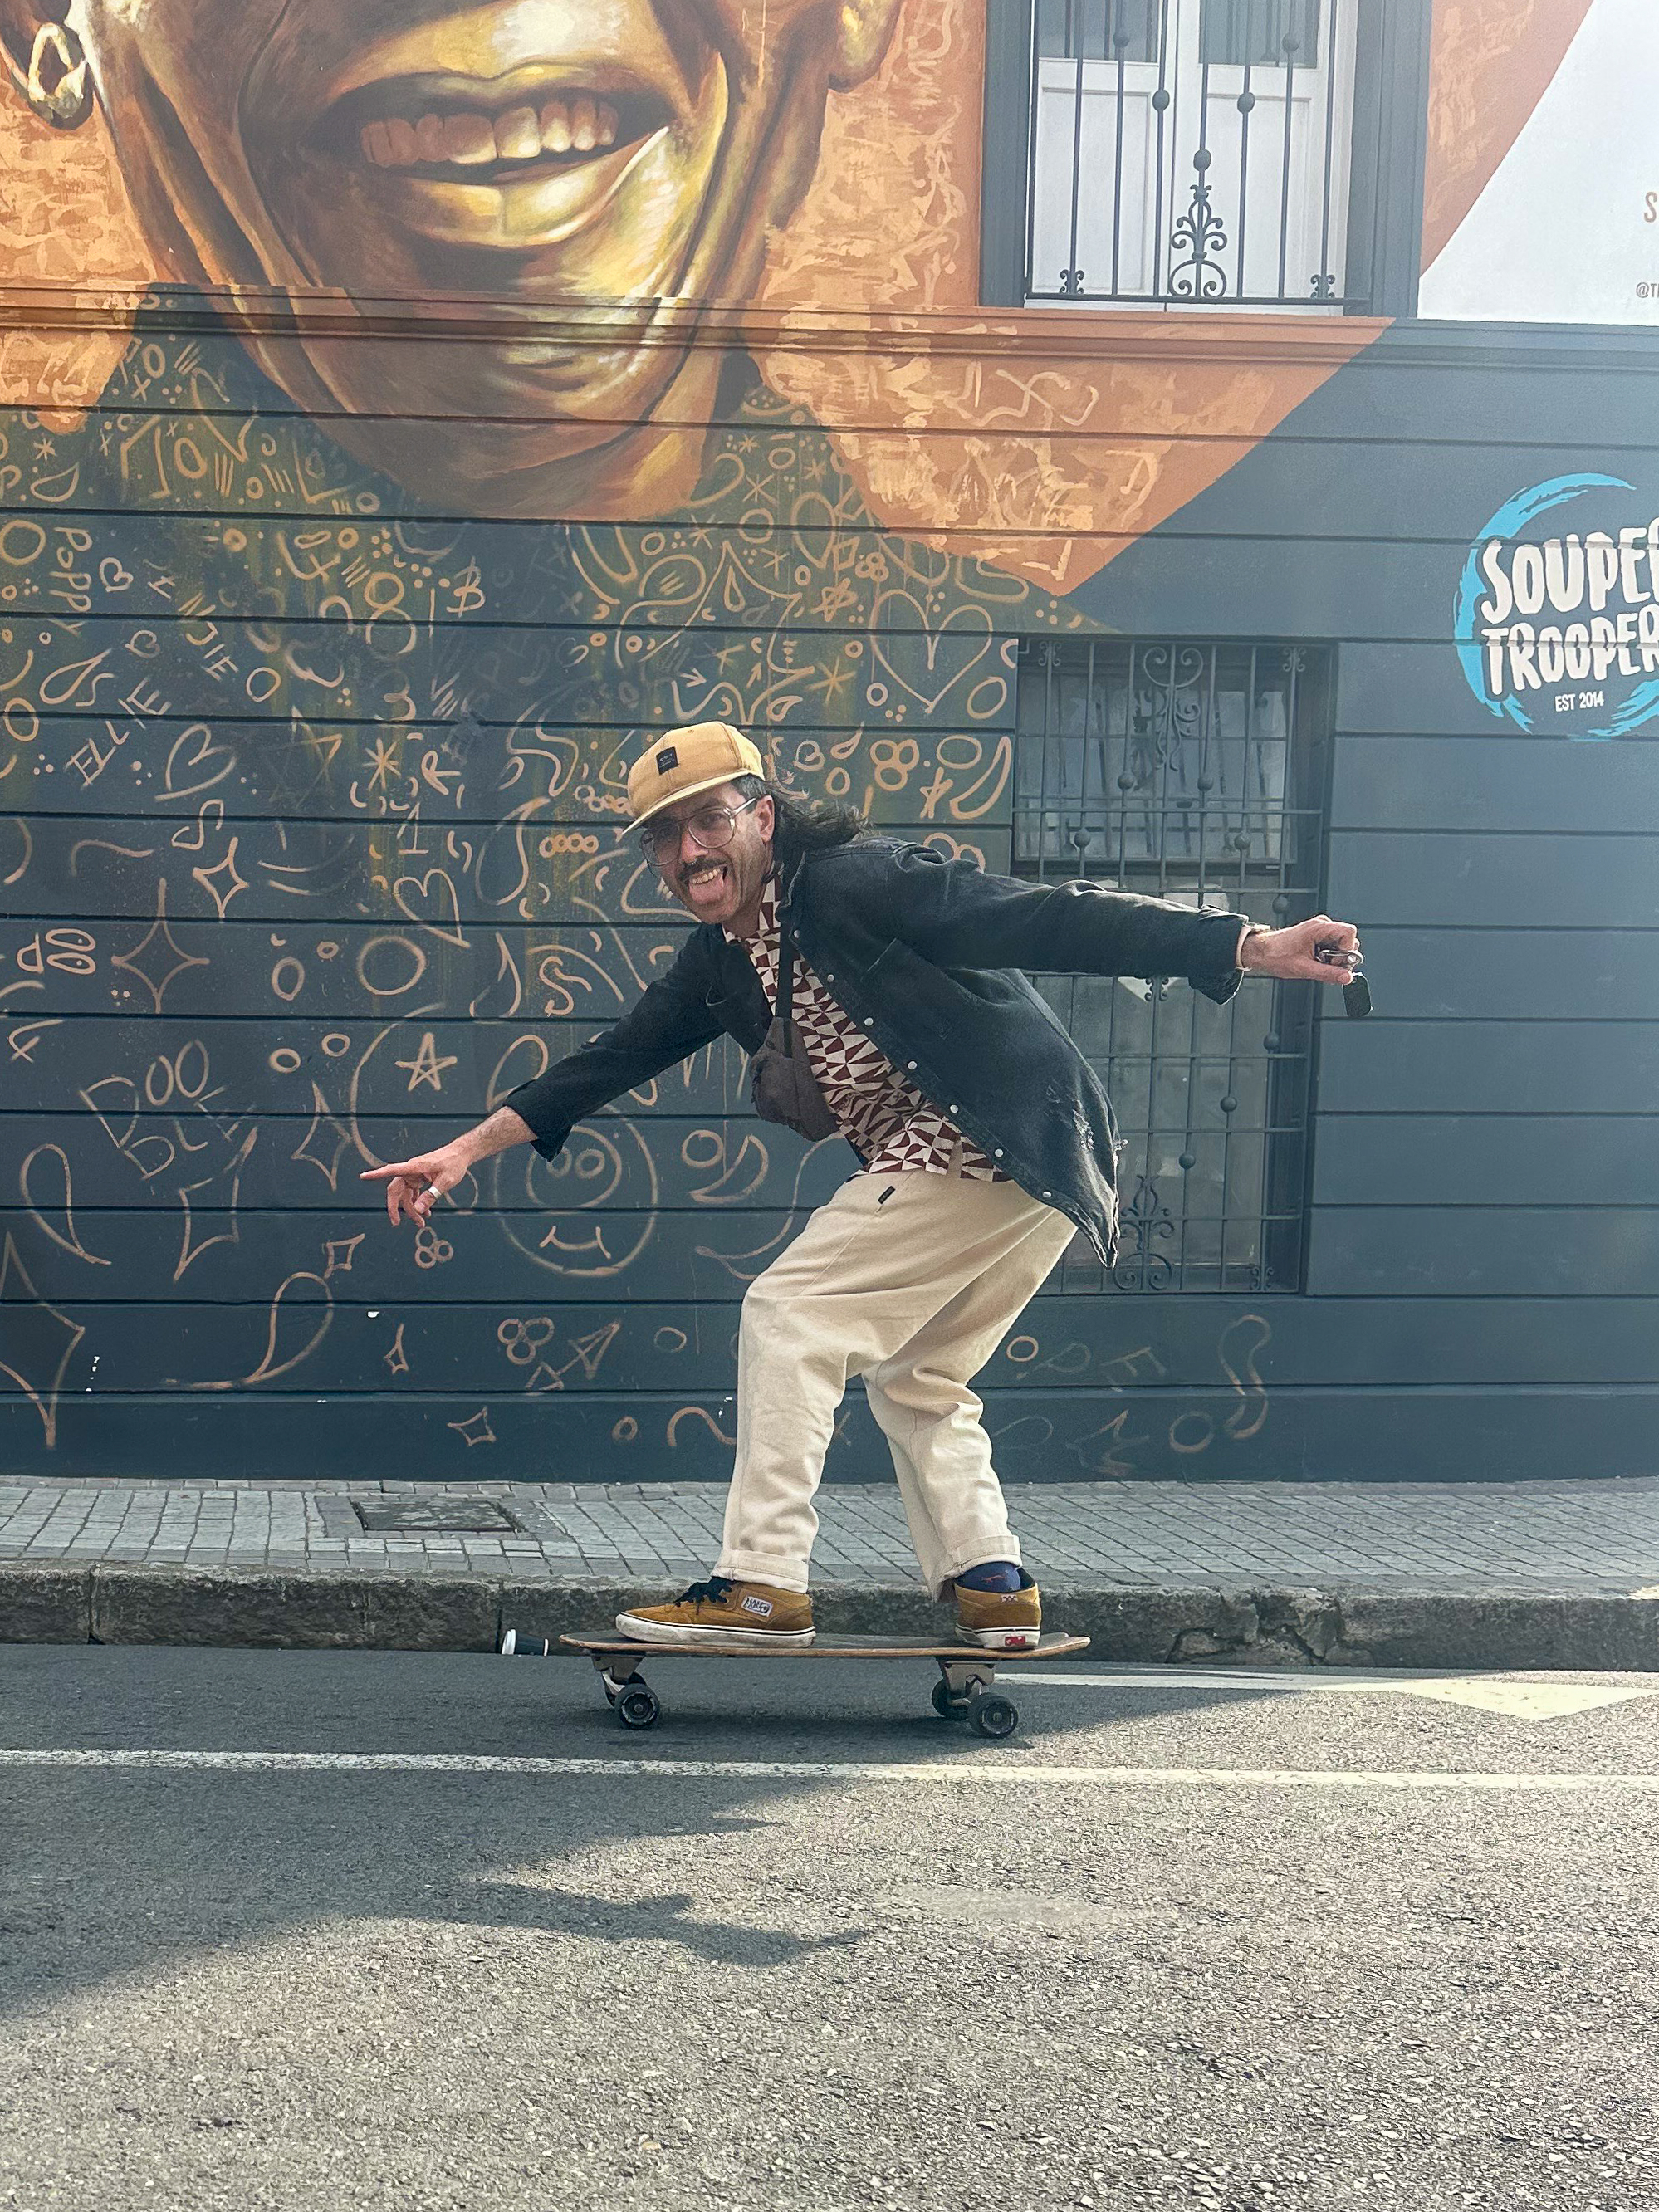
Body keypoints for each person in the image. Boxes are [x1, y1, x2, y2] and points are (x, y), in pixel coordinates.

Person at [365, 720, 1363, 1650]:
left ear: (762, 815)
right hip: (1027, 1165)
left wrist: (1239, 944)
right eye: (665, 839)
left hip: (991, 1140)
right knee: (919, 1376)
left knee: (790, 1314)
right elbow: (614, 1056)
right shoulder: (722, 961)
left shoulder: (853, 884)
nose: (689, 854)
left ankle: (759, 1582)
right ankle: (993, 1586)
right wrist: (465, 1150)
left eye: (710, 820)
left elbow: (1039, 918)